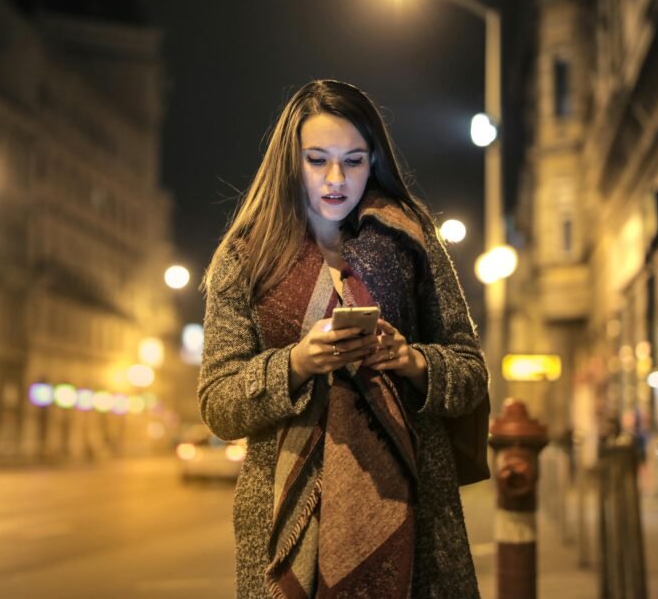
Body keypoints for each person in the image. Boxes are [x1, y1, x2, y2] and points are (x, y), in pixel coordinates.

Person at [200, 79, 488, 598]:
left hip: (416, 518)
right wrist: (296, 364)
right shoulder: (246, 257)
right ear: (292, 161)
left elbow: (469, 372)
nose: (336, 179)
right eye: (317, 160)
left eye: (353, 161)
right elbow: (219, 403)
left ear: (373, 161)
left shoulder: (410, 239)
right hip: (286, 527)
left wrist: (411, 359)